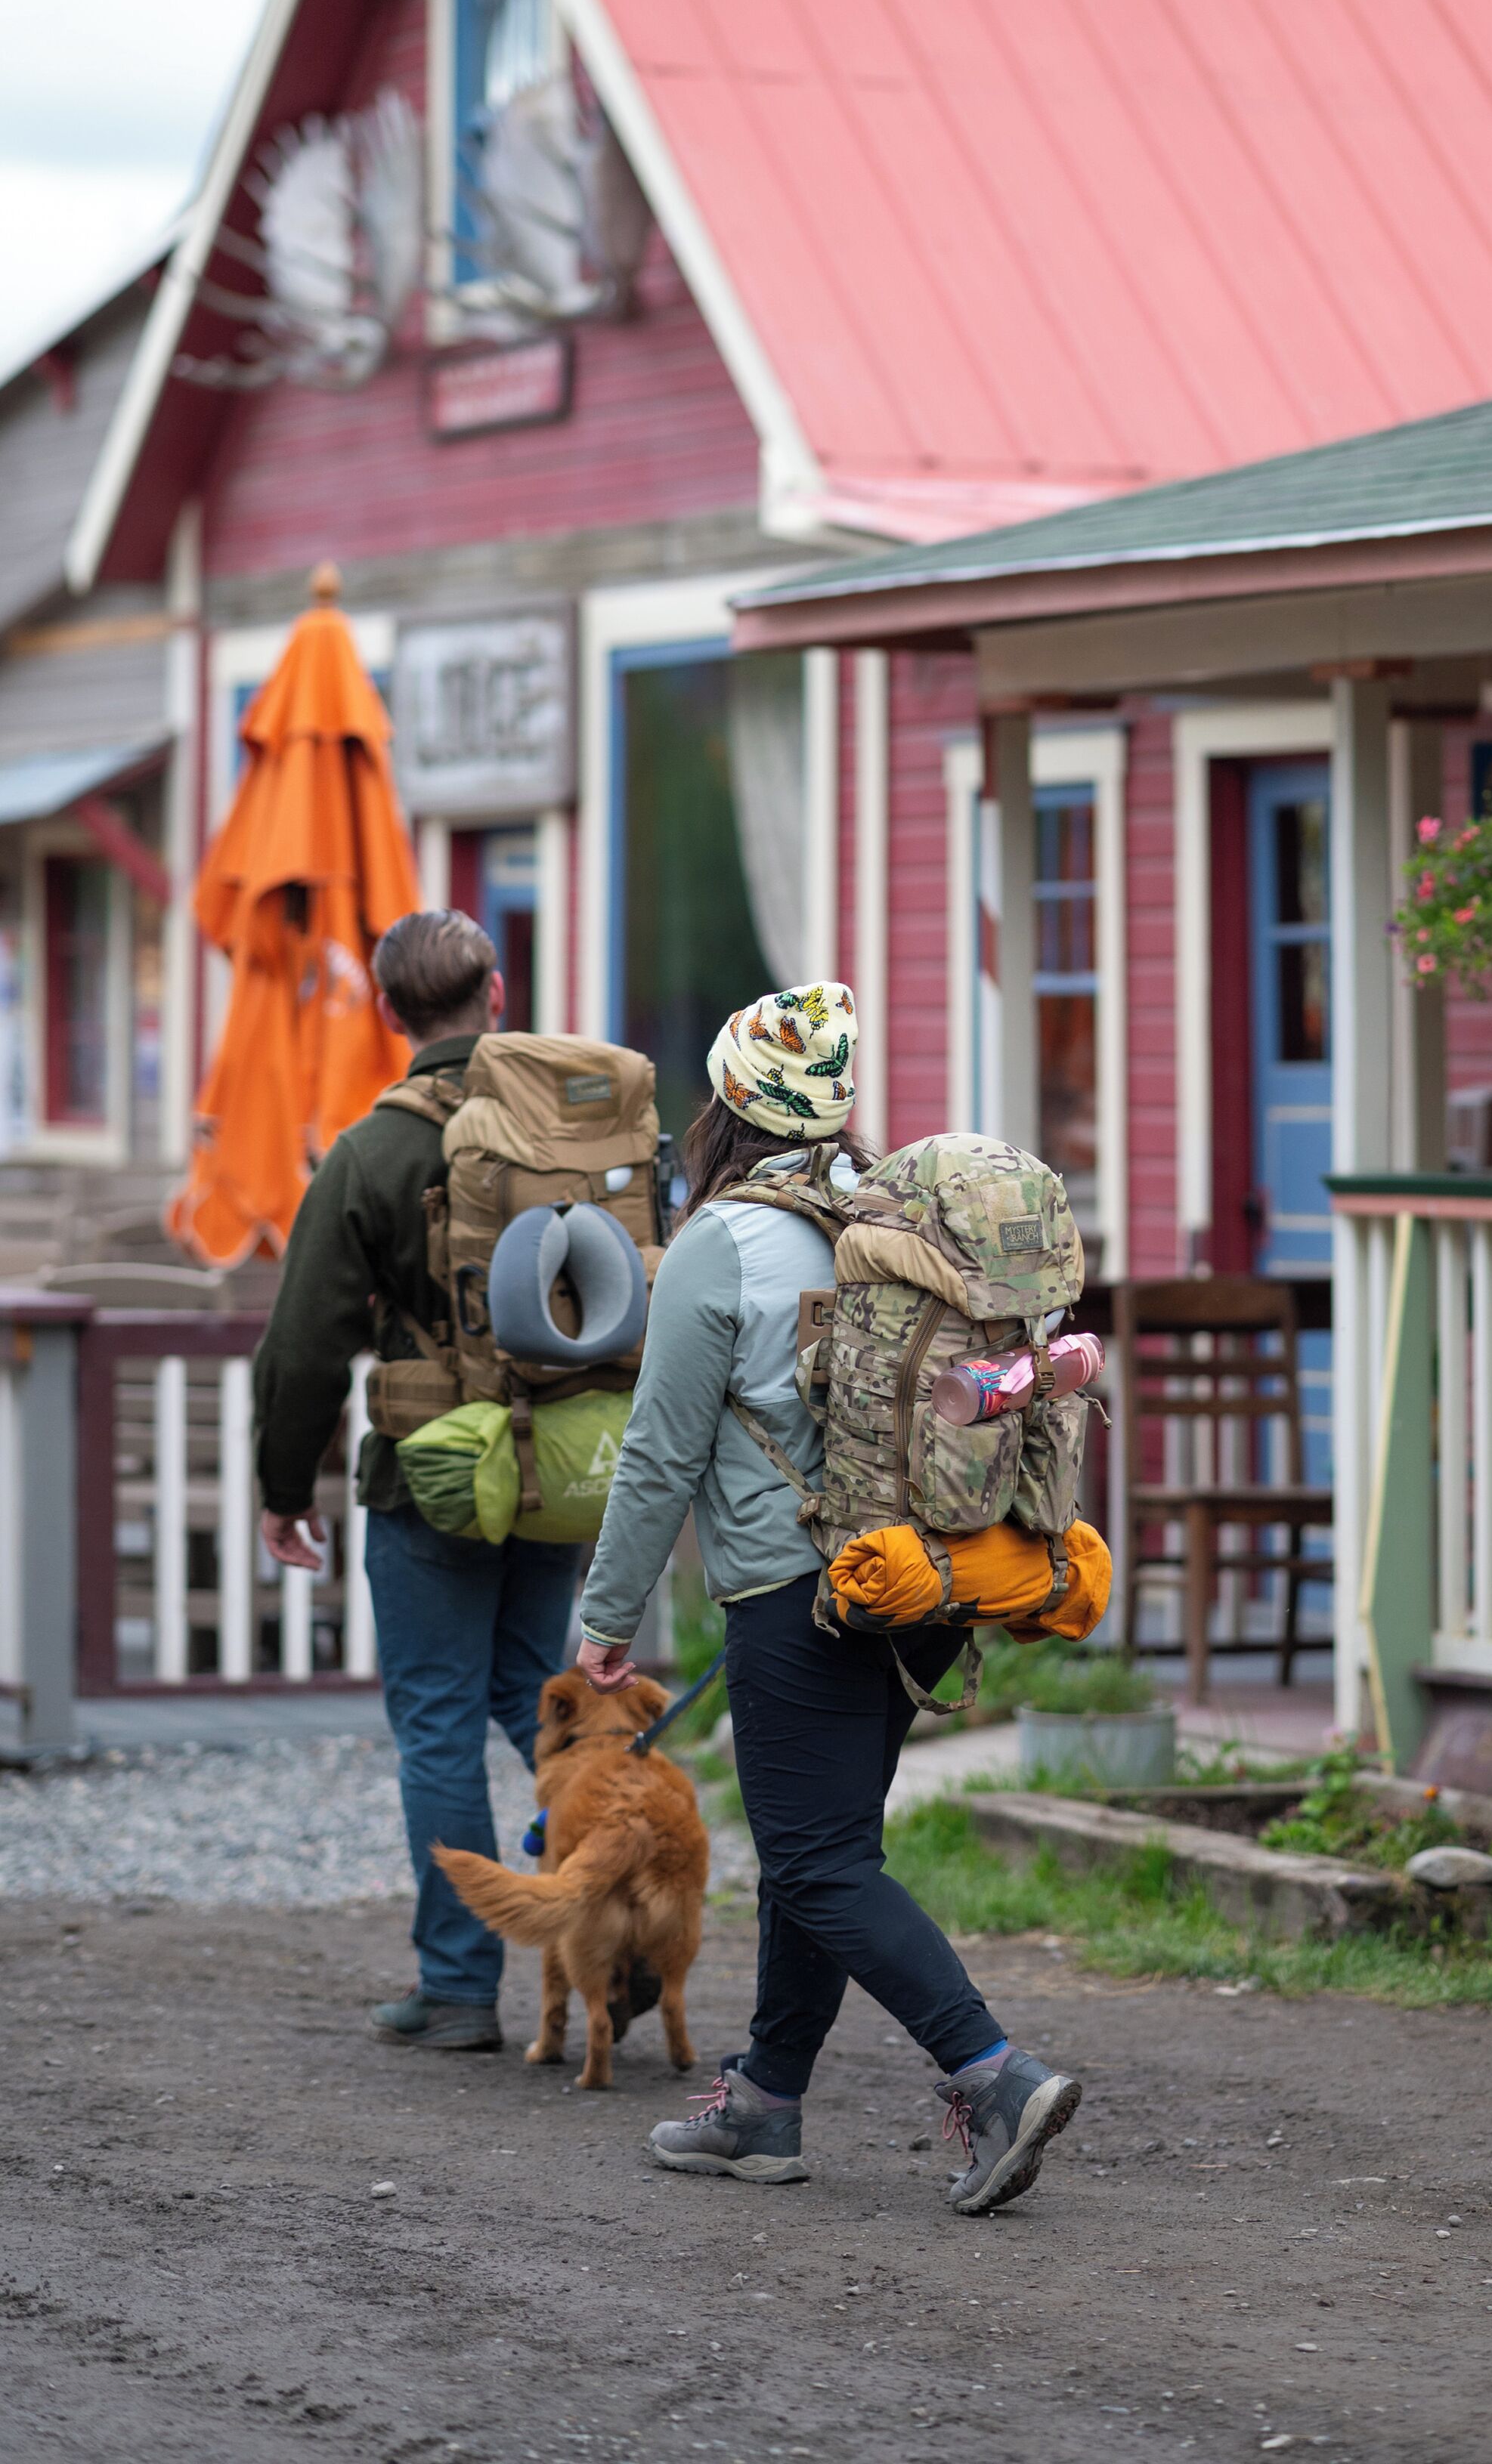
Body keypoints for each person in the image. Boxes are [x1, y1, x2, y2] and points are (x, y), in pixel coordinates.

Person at [575, 982, 1082, 2217]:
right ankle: (763, 2104)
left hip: (791, 1589)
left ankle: (992, 2072)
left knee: (811, 1862)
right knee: (826, 1853)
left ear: (726, 1104)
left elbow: (659, 1451)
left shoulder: (720, 1241)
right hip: (920, 1575)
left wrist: (605, 1617)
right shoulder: (882, 1214)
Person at [255, 909, 580, 2052]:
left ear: (391, 1014)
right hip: (564, 1463)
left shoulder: (373, 1151)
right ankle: (618, 1930)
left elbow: (301, 1346)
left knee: (438, 1719)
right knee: (548, 1703)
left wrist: (282, 1487)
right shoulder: (570, 1125)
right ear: (495, 993)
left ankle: (456, 1987)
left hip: (433, 1475)